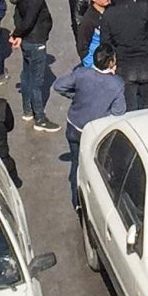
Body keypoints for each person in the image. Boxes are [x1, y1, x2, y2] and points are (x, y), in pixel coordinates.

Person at [50, 44, 127, 206]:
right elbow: (119, 112)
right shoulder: (116, 84)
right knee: (97, 169)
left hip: (74, 126)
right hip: (94, 133)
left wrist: (74, 95)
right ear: (111, 63)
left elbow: (59, 86)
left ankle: (76, 202)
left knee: (76, 165)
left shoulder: (82, 74)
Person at [9, 0, 56, 132]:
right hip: (36, 42)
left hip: (27, 41)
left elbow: (18, 14)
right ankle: (40, 118)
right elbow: (28, 20)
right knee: (37, 81)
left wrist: (18, 34)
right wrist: (17, 34)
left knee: (26, 75)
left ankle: (27, 110)